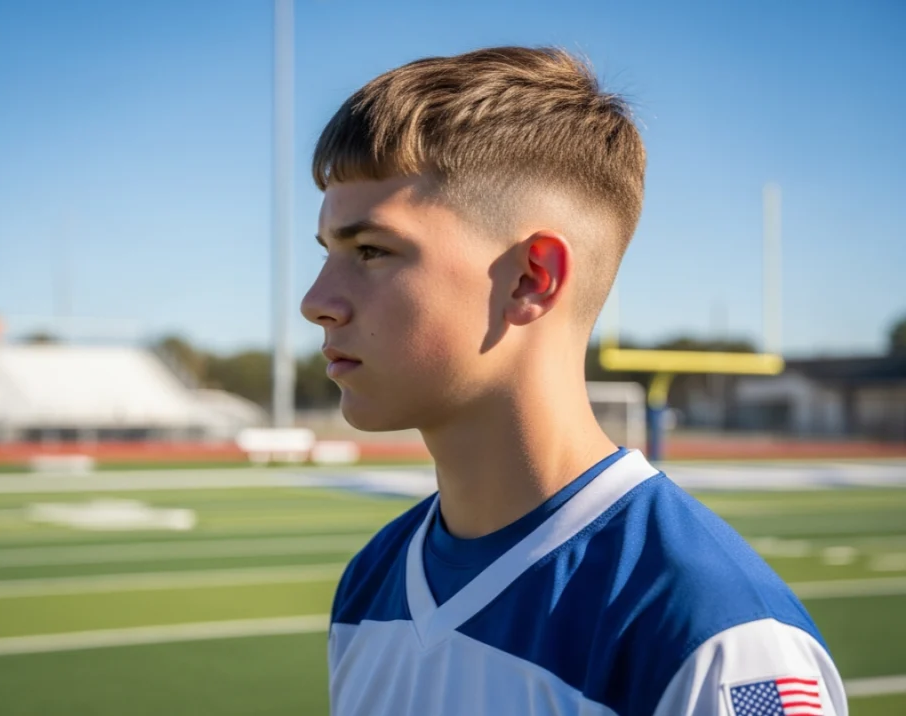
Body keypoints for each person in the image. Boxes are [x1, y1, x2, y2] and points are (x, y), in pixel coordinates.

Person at [301, 46, 846, 716]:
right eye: (328, 252)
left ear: (532, 279)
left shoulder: (721, 640)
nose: (316, 301)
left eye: (371, 251)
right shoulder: (371, 581)